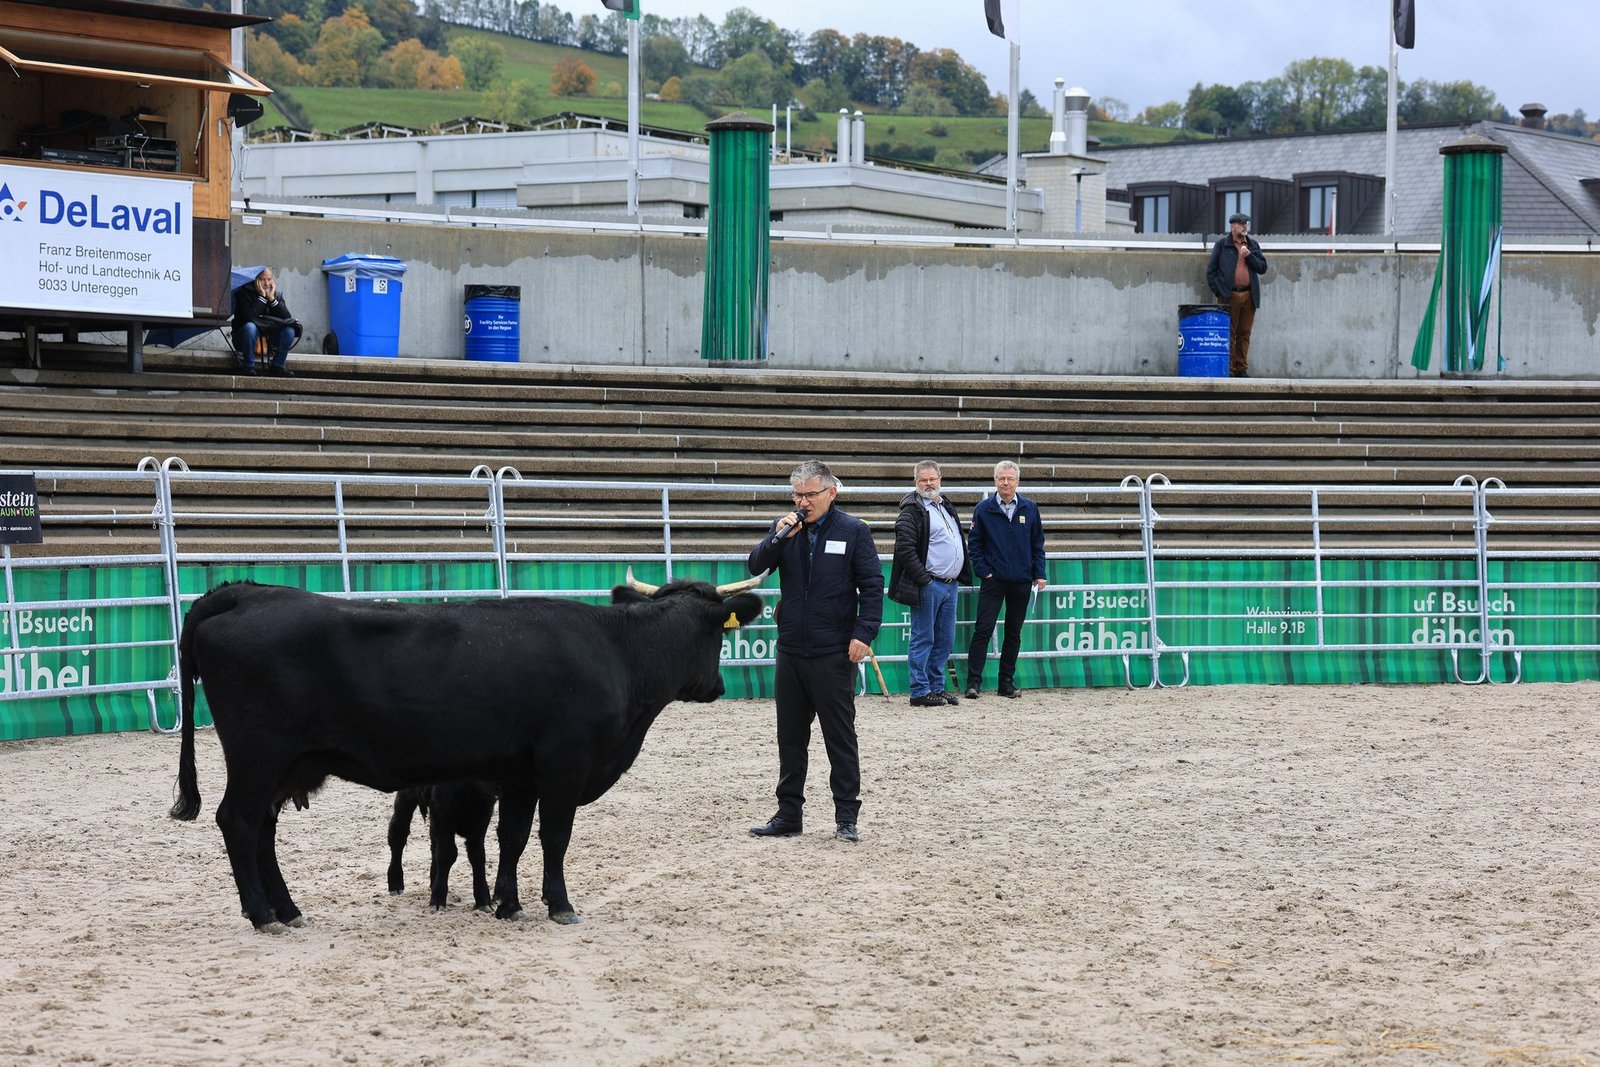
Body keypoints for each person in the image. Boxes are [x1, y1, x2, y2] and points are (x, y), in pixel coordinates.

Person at [747, 460, 883, 844]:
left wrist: (864, 633)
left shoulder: (854, 531)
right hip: (791, 649)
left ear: (831, 493)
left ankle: (846, 817)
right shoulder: (785, 528)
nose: (803, 502)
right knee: (790, 739)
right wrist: (776, 539)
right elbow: (755, 565)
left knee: (839, 737)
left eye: (810, 494)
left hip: (834, 652)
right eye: (797, 495)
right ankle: (788, 814)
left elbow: (873, 586)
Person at [888, 460, 970, 707]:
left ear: (940, 480)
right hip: (930, 584)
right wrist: (925, 581)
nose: (928, 483)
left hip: (950, 585)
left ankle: (937, 687)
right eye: (923, 480)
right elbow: (905, 550)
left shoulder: (945, 506)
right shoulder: (911, 511)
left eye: (932, 479)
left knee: (945, 639)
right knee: (923, 638)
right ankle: (919, 690)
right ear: (915, 482)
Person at [964, 460, 1046, 700]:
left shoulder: (1030, 508)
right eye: (1001, 478)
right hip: (994, 581)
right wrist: (984, 572)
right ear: (995, 481)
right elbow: (974, 544)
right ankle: (973, 683)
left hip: (1021, 581)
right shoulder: (983, 509)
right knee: (983, 630)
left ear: (1018, 481)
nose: (1006, 483)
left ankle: (1006, 683)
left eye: (1010, 478)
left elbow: (1037, 544)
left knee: (1013, 633)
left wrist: (1039, 573)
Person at [1205, 212, 1269, 378]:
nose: (1244, 226)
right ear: (1233, 226)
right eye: (1241, 224)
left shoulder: (1252, 245)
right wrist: (1219, 291)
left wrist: (1250, 257)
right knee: (1228, 333)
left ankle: (1241, 368)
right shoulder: (1222, 245)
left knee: (1244, 333)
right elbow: (1211, 271)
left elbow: (1262, 268)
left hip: (1249, 295)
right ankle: (1228, 368)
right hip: (1229, 296)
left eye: (1246, 223)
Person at [231, 267, 300, 377]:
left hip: (268, 340)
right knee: (250, 327)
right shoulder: (243, 293)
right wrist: (262, 298)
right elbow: (249, 317)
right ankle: (248, 366)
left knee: (289, 330)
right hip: (244, 339)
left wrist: (272, 300)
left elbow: (286, 317)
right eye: (263, 279)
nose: (267, 283)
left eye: (269, 279)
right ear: (255, 280)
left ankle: (277, 366)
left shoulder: (276, 295)